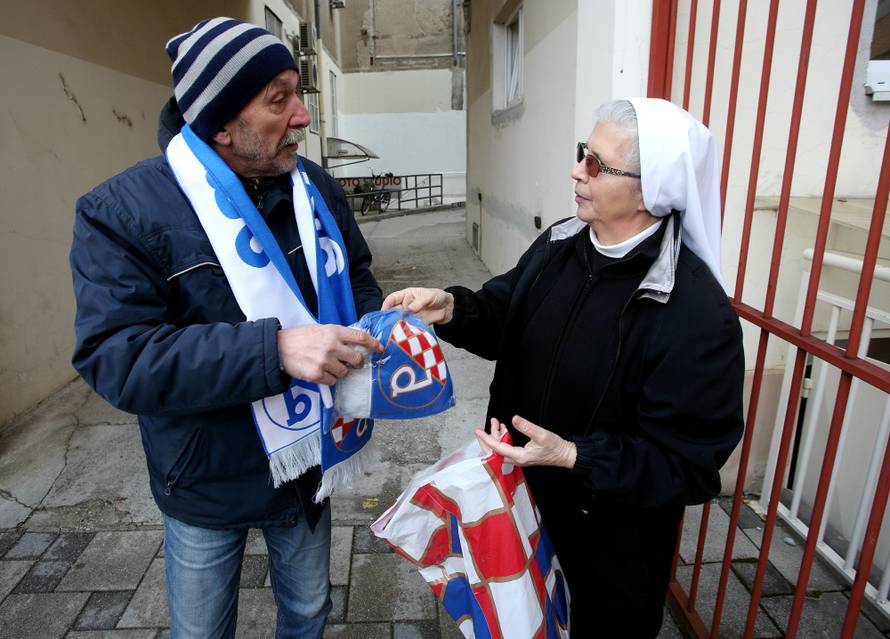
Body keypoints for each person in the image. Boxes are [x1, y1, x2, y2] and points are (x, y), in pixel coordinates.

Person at [383, 98, 744, 637]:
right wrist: (452, 307)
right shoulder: (559, 244)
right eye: (583, 153)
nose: (577, 170)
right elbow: (506, 312)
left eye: (597, 164)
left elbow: (686, 462)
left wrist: (574, 456)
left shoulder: (695, 311)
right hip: (519, 506)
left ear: (652, 189)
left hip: (610, 546)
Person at [70, 17, 383, 638]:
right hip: (205, 479)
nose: (303, 117)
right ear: (218, 123)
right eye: (278, 100)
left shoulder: (313, 188)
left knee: (308, 613)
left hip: (306, 469)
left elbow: (358, 277)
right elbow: (117, 356)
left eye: (300, 93)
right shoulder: (120, 212)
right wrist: (273, 349)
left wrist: (379, 327)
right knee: (202, 631)